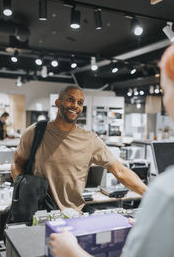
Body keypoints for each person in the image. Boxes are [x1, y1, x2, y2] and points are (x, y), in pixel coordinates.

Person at [49, 44, 174, 257]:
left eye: (164, 90)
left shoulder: (167, 193)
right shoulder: (36, 133)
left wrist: (71, 251)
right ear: (58, 103)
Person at [11, 85, 146, 212]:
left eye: (80, 102)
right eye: (70, 100)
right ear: (58, 103)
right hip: (37, 214)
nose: (75, 105)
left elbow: (120, 171)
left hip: (72, 215)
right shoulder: (35, 132)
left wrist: (150, 194)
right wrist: (24, 195)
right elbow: (17, 163)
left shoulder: (90, 140)